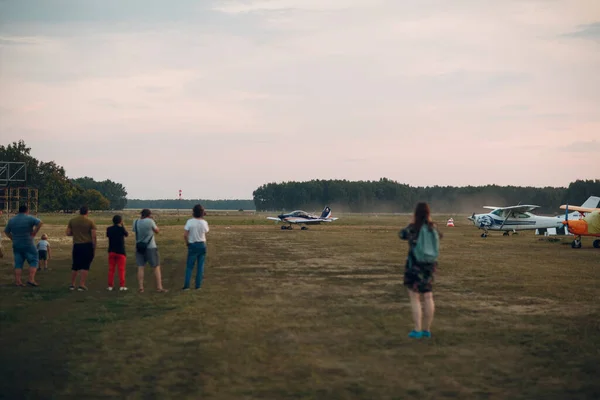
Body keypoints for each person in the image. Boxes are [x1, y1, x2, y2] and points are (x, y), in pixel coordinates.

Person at [399, 202, 442, 339]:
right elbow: (440, 236)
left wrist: (411, 222)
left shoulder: (413, 228)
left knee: (415, 297)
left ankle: (417, 329)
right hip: (430, 265)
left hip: (415, 265)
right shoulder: (432, 227)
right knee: (428, 296)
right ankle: (427, 330)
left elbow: (401, 234)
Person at [3, 205, 43, 287]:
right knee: (34, 260)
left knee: (18, 262)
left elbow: (6, 231)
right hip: (28, 242)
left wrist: (13, 238)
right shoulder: (29, 218)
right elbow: (40, 223)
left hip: (16, 244)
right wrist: (34, 232)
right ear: (27, 211)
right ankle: (31, 279)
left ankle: (18, 281)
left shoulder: (12, 220)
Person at [133, 209, 167, 293]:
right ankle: (159, 287)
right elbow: (157, 231)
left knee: (141, 267)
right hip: (151, 246)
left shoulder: (135, 221)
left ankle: (141, 287)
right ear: (149, 215)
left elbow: (135, 231)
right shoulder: (150, 221)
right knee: (156, 266)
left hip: (139, 246)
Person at [66, 206, 97, 291]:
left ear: (79, 212)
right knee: (85, 265)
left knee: (75, 265)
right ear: (87, 212)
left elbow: (68, 233)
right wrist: (94, 247)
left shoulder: (72, 221)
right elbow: (93, 236)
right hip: (87, 245)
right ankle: (81, 284)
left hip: (76, 245)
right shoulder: (90, 221)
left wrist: (76, 234)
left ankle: (72, 284)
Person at [183, 204, 209, 290]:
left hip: (192, 244)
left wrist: (187, 243)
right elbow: (206, 230)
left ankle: (186, 286)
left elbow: (185, 235)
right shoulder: (204, 222)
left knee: (189, 266)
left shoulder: (189, 222)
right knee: (200, 266)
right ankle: (198, 286)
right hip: (202, 244)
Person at [106, 215, 129, 291]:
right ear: (120, 221)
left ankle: (110, 286)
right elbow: (126, 234)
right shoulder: (121, 229)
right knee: (121, 269)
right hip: (121, 251)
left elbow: (108, 235)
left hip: (112, 251)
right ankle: (122, 286)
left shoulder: (109, 229)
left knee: (111, 269)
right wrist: (123, 226)